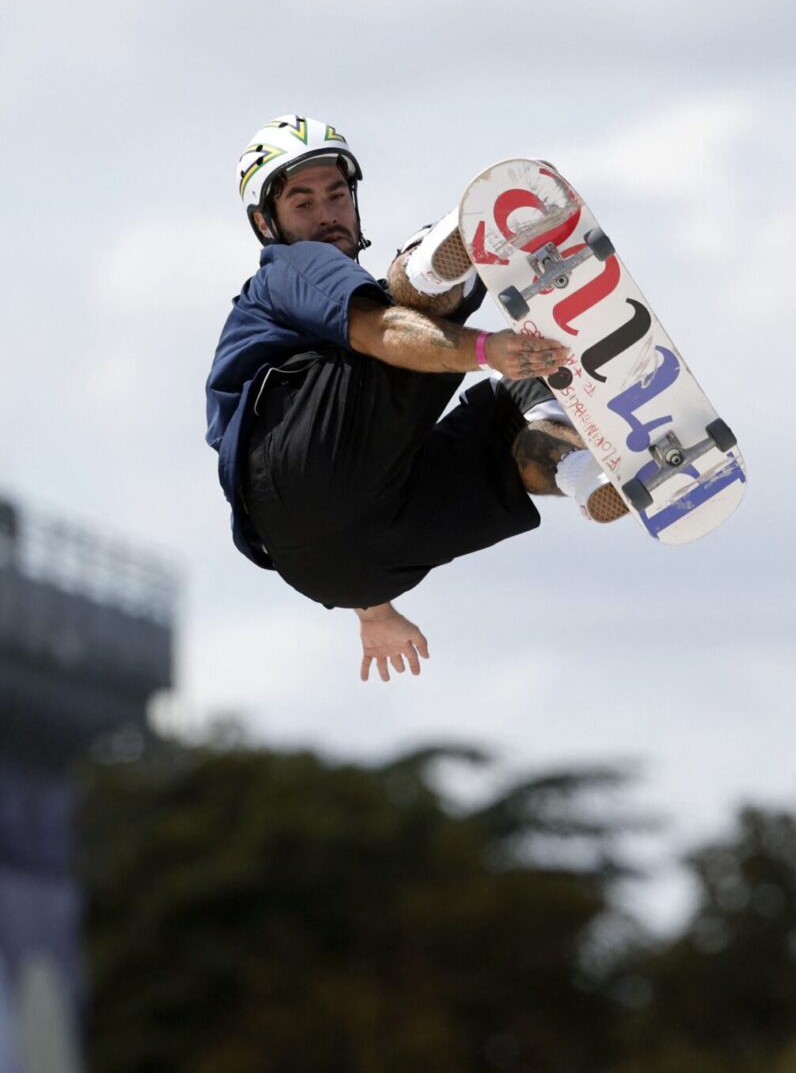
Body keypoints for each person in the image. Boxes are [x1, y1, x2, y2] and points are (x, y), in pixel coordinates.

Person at [207, 114, 623, 683]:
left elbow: (339, 488)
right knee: (401, 313)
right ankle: (429, 269)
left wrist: (372, 610)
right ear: (266, 223)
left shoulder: (347, 421)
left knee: (519, 409)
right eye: (302, 203)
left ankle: (579, 470)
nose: (327, 215)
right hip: (289, 464)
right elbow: (382, 335)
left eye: (337, 196)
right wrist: (484, 348)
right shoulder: (286, 269)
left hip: (341, 569)